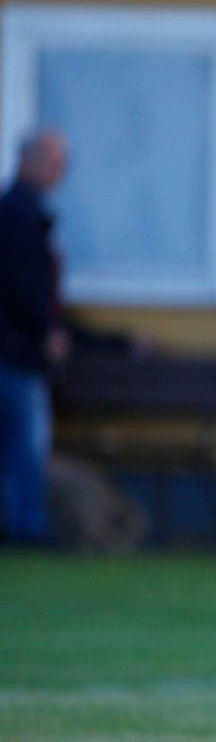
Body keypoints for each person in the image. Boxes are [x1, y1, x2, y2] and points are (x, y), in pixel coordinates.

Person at [0, 129, 70, 547]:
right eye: (56, 162)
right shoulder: (20, 216)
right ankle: (27, 527)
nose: (61, 172)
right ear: (32, 160)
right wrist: (45, 332)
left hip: (18, 346)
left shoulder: (24, 212)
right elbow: (24, 287)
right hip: (17, 350)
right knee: (26, 443)